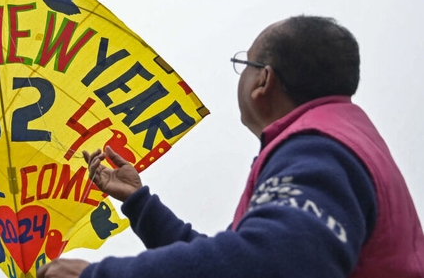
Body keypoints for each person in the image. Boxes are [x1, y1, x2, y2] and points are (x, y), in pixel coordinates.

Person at [37, 16, 424, 278]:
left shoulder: (318, 150)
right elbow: (239, 258)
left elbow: (272, 262)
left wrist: (94, 274)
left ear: (264, 80)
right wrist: (139, 202)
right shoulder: (338, 139)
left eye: (246, 64)